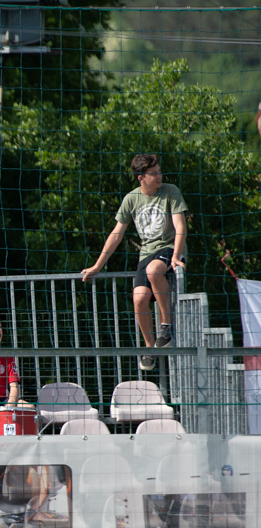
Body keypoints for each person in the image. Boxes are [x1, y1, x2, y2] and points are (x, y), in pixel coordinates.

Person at [81, 153, 188, 371]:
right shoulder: (131, 199)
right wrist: (97, 265)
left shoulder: (171, 191)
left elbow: (180, 226)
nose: (159, 176)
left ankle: (165, 328)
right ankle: (149, 347)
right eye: (153, 173)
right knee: (138, 298)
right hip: (147, 252)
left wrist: (176, 255)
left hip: (169, 247)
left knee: (154, 270)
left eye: (159, 171)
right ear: (141, 178)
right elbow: (116, 234)